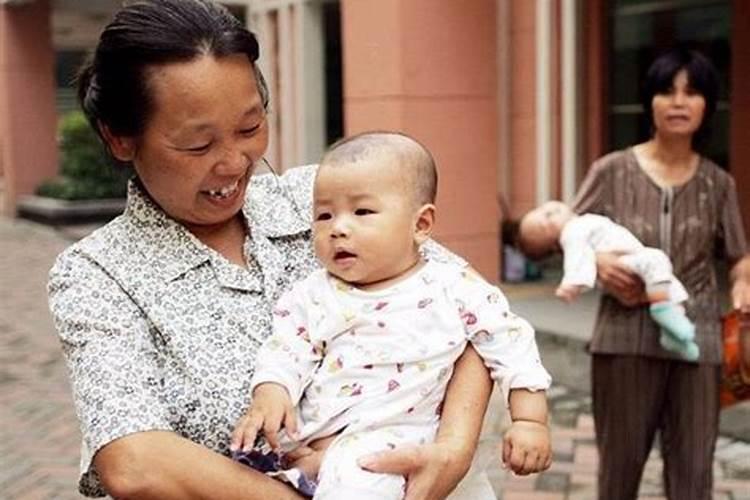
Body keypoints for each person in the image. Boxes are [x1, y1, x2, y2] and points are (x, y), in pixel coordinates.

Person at [47, 1, 499, 498]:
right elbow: (134, 462)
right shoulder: (98, 274)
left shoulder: (325, 201)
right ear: (120, 139)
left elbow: (473, 310)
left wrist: (452, 452)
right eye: (198, 146)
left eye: (249, 127)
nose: (234, 162)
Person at [231, 132, 553, 499]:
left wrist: (530, 420)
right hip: (327, 440)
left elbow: (510, 343)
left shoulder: (454, 287)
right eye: (323, 215)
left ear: (421, 225)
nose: (338, 228)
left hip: (409, 436)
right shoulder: (313, 294)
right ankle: (318, 467)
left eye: (362, 212)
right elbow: (286, 349)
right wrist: (271, 393)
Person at [571, 47, 750, 500]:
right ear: (649, 101)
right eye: (666, 90)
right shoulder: (611, 170)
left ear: (707, 104)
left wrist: (743, 286)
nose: (678, 101)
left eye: (692, 92)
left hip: (699, 341)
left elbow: (739, 256)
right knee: (619, 470)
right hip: (622, 337)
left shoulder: (718, 182)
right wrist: (597, 264)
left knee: (693, 472)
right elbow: (571, 232)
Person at [518, 200, 699, 360]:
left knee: (670, 283)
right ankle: (662, 309)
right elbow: (577, 259)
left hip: (633, 257)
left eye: (543, 209)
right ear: (553, 239)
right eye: (546, 220)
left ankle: (672, 335)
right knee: (657, 260)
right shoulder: (571, 231)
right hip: (625, 261)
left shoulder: (580, 222)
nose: (550, 212)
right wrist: (571, 284)